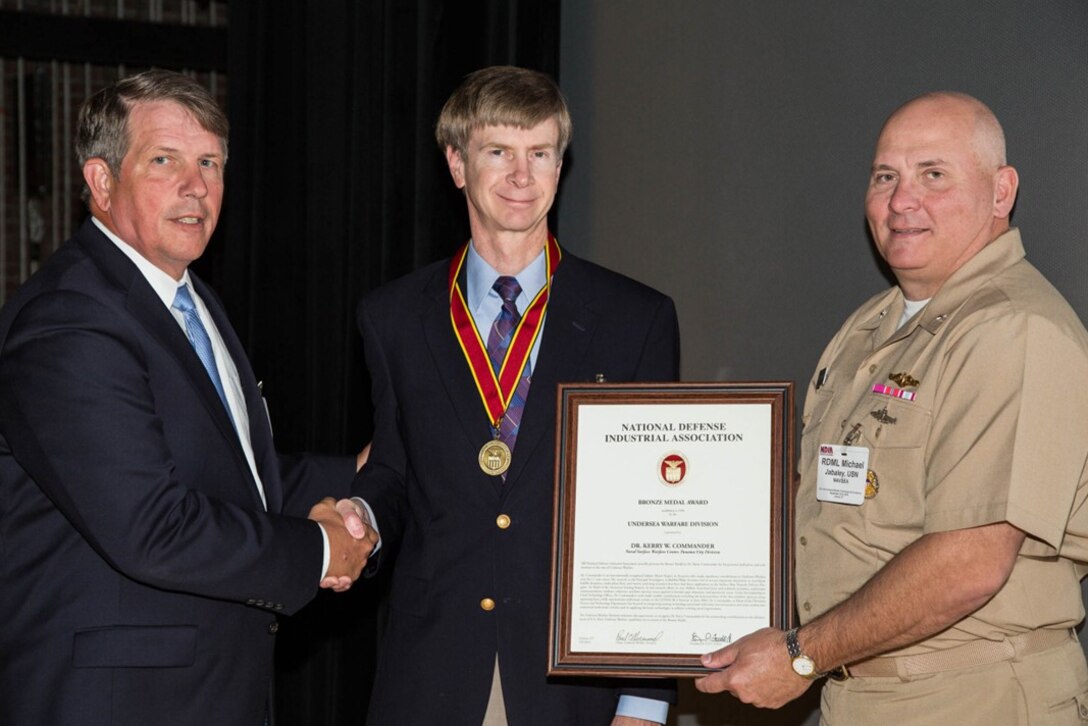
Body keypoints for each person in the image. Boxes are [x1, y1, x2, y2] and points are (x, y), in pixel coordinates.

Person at [694, 91, 1088, 724]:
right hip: (860, 693)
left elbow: (969, 561)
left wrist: (799, 656)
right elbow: (824, 501)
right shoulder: (870, 329)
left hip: (971, 698)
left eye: (934, 174)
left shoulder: (1014, 330)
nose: (902, 201)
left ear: (1001, 191)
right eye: (886, 177)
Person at [0, 69, 377, 726]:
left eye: (210, 162)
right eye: (164, 160)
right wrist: (317, 550)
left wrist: (359, 476)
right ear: (100, 181)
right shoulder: (69, 322)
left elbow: (234, 481)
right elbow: (152, 525)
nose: (196, 184)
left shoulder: (189, 303)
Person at [341, 66, 679, 725]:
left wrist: (646, 697)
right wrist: (359, 513)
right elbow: (391, 472)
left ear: (561, 163)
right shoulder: (392, 317)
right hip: (433, 673)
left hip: (575, 681)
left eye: (540, 154)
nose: (522, 177)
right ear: (457, 163)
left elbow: (657, 519)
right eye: (498, 152)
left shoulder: (635, 318)